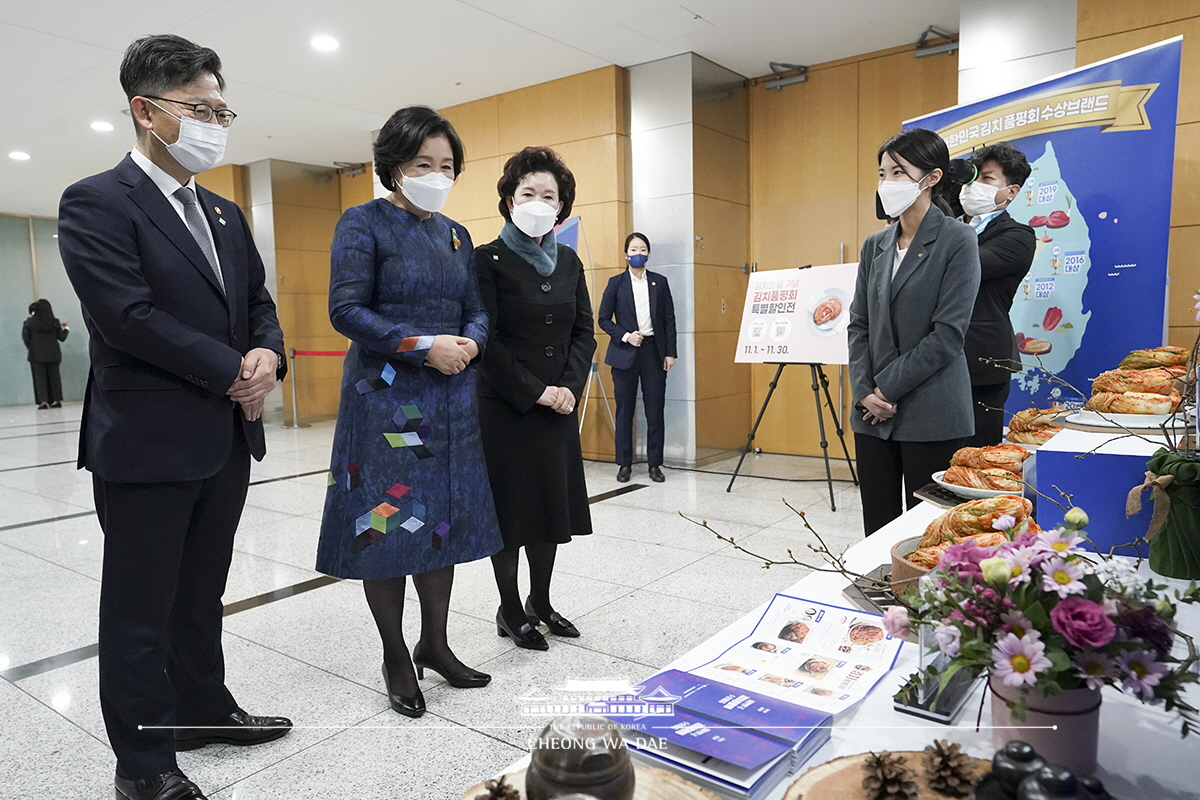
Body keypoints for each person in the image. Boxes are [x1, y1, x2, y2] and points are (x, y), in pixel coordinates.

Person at [57, 35, 289, 800]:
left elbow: (257, 303)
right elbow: (127, 316)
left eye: (222, 109)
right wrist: (233, 370)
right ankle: (143, 763)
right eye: (201, 108)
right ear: (146, 112)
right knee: (140, 609)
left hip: (224, 439)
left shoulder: (224, 214)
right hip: (147, 444)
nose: (216, 121)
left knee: (202, 592)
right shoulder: (95, 202)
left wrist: (268, 356)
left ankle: (202, 706)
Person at [316, 106, 503, 719]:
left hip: (450, 400)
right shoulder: (362, 222)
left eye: (447, 165)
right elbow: (346, 310)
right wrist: (424, 345)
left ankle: (437, 644)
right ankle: (396, 654)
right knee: (391, 525)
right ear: (395, 165)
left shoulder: (455, 233)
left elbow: (477, 308)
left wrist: (471, 341)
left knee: (441, 525)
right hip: (387, 402)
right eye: (424, 163)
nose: (436, 174)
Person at [475, 146, 596, 650]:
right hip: (507, 407)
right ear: (508, 199)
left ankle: (540, 603)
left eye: (550, 195)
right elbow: (487, 337)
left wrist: (568, 386)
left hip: (558, 408)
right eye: (529, 192)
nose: (539, 202)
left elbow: (584, 331)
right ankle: (509, 608)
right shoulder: (485, 259)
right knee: (510, 514)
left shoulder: (569, 260)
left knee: (549, 511)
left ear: (561, 206)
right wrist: (535, 390)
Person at [848, 128, 981, 536]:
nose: (887, 183)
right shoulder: (875, 244)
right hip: (872, 415)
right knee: (878, 529)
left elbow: (947, 334)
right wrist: (863, 389)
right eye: (882, 173)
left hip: (931, 410)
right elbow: (859, 323)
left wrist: (885, 390)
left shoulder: (958, 239)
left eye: (898, 173)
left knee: (929, 532)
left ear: (932, 178)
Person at [958, 142, 1036, 446]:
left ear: (1012, 191)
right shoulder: (948, 227)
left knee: (977, 460)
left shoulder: (1017, 237)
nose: (973, 187)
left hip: (981, 363)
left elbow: (963, 266)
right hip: (934, 361)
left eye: (987, 179)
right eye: (972, 178)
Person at [598, 232, 677, 483]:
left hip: (654, 352)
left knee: (655, 410)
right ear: (626, 254)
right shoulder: (615, 283)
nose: (638, 253)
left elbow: (669, 319)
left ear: (648, 253)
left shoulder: (659, 282)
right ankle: (624, 464)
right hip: (625, 353)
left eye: (643, 249)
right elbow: (602, 319)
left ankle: (655, 464)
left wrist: (670, 353)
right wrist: (625, 336)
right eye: (633, 249)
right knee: (625, 410)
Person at [22, 298, 69, 408]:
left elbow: (26, 338)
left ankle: (43, 402)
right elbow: (62, 338)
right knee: (55, 378)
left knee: (40, 379)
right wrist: (66, 328)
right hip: (54, 354)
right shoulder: (55, 322)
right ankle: (56, 400)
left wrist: (32, 348)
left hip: (36, 355)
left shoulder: (30, 322)